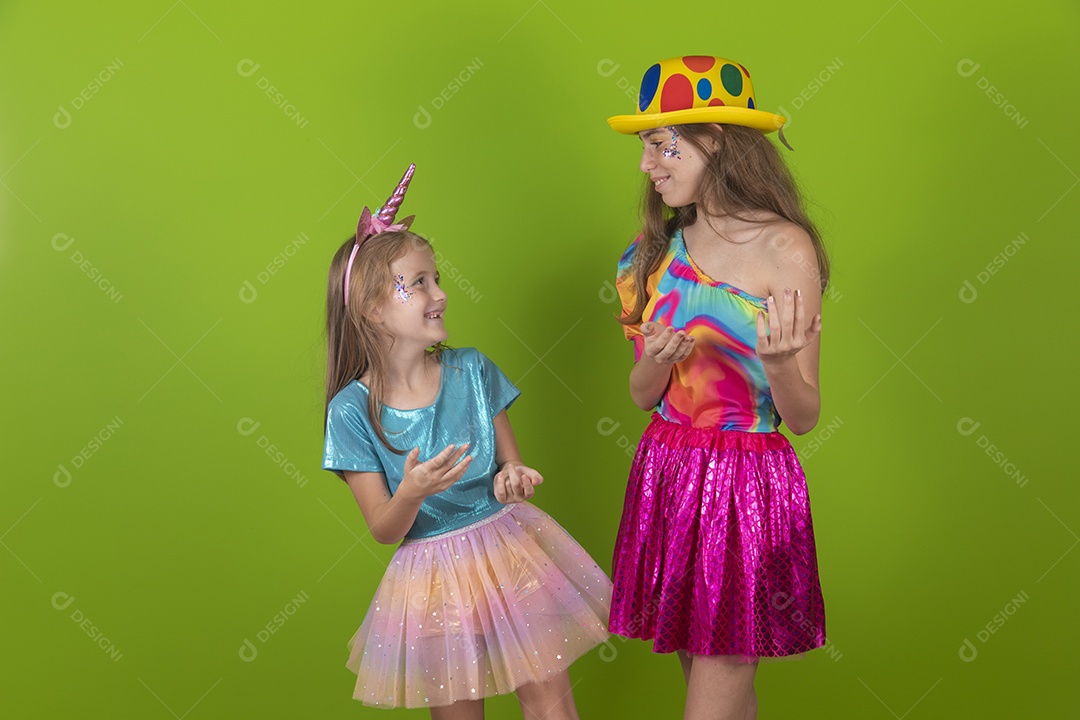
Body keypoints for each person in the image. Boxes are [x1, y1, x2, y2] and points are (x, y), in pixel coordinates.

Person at [322, 164, 611, 719]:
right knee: (457, 711)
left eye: (437, 277)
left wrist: (514, 477)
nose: (441, 293)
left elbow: (511, 470)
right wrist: (411, 490)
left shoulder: (472, 372)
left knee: (551, 700)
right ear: (370, 310)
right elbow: (384, 529)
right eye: (420, 283)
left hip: (508, 550)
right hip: (428, 581)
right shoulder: (350, 412)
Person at [605, 56, 829, 719]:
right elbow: (642, 394)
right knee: (721, 691)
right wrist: (655, 357)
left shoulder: (787, 249)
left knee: (719, 682)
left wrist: (785, 361)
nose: (648, 164)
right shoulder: (651, 254)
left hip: (745, 483)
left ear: (717, 139)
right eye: (646, 146)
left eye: (659, 143)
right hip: (668, 469)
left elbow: (806, 414)